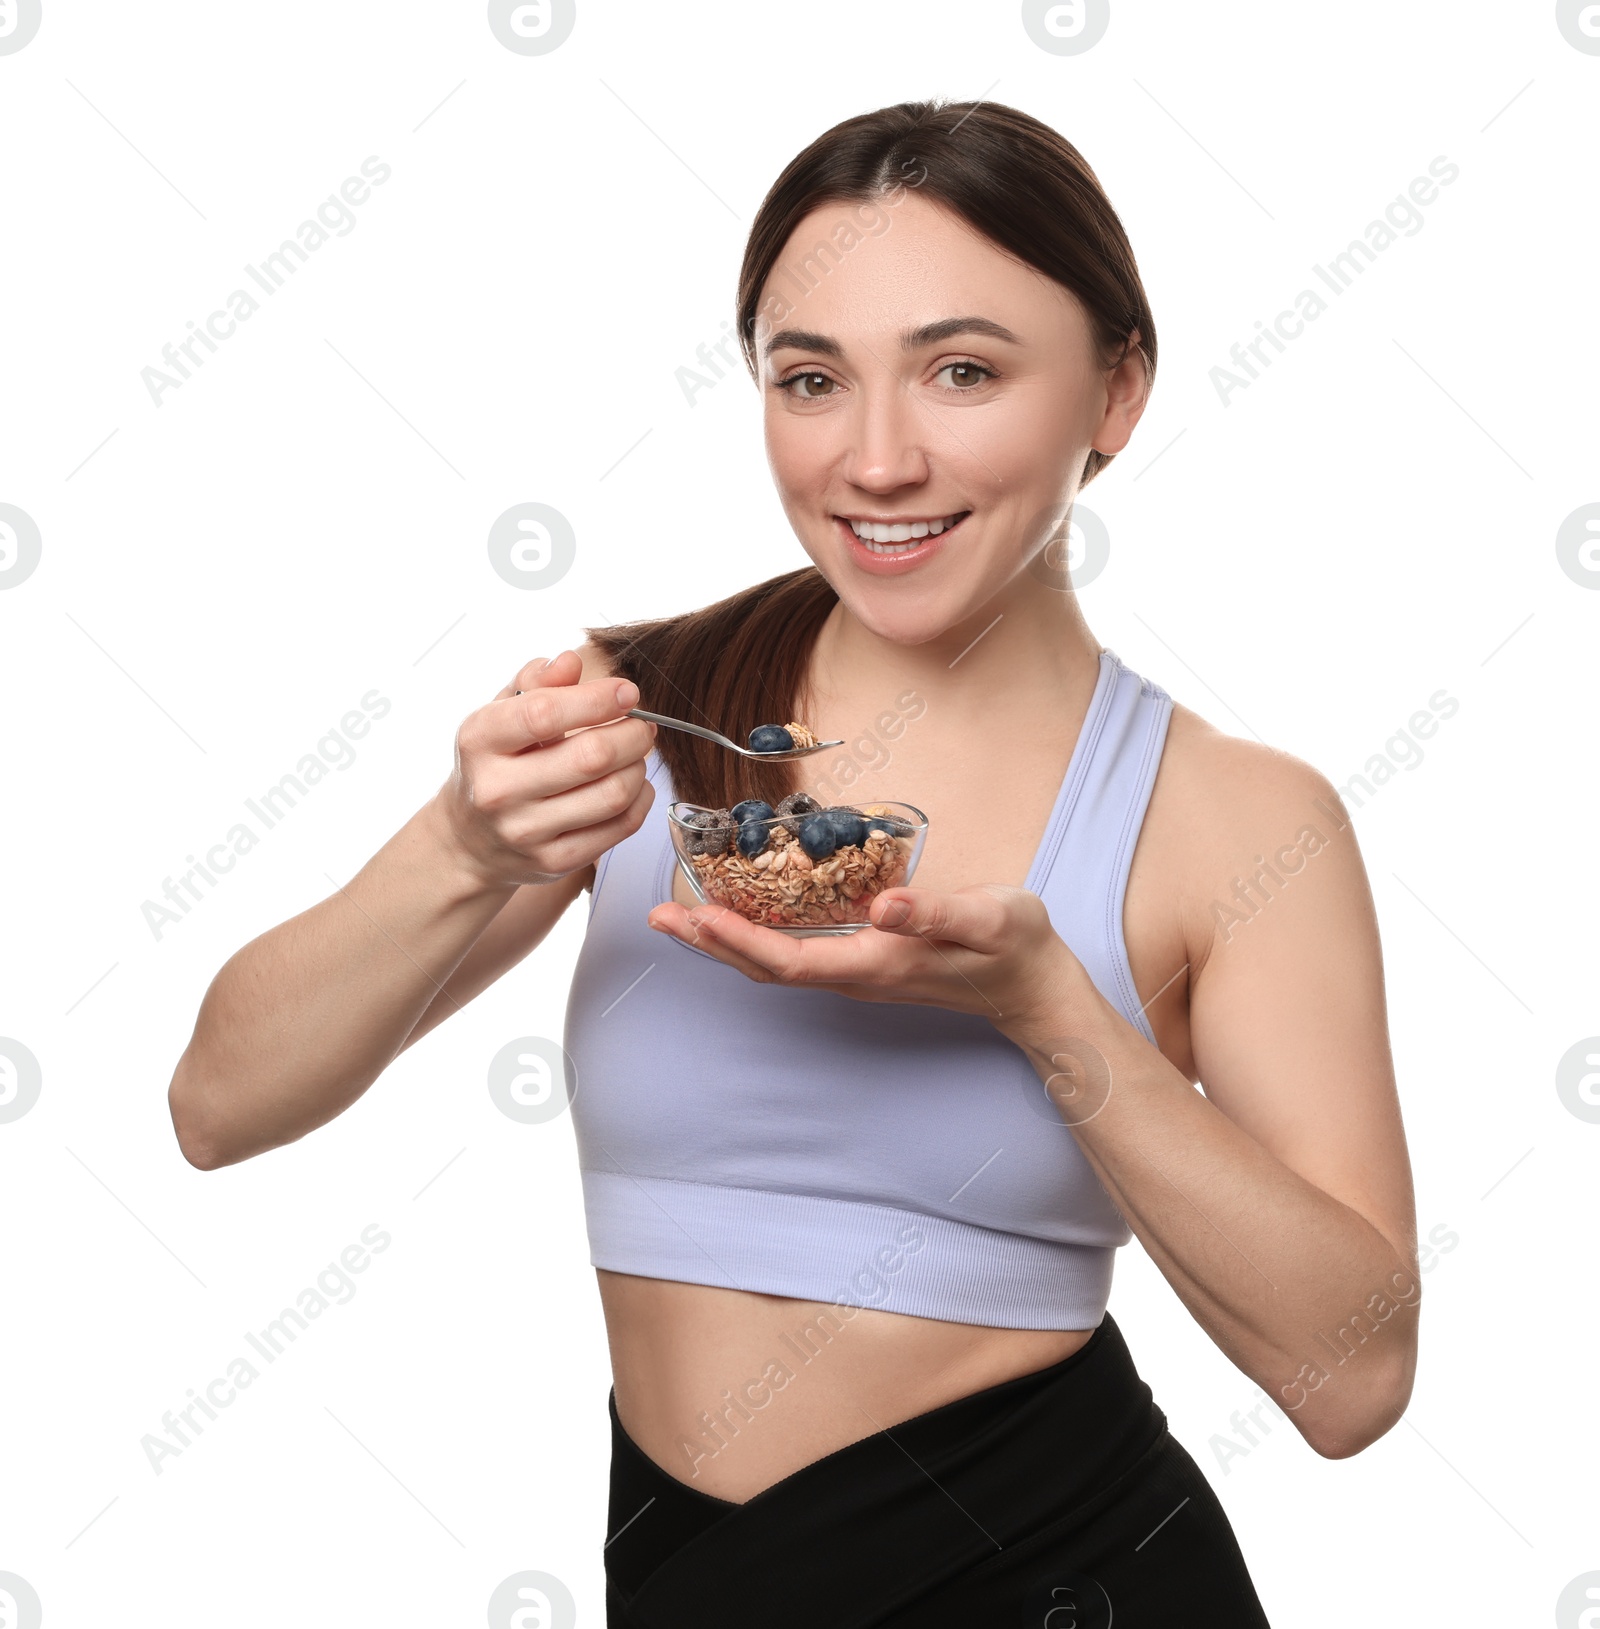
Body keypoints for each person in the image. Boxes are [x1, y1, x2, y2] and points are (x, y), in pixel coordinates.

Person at [168, 100, 1419, 1627]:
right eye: (811, 379)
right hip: (691, 1580)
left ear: (1118, 390)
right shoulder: (629, 721)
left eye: (964, 371)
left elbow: (1354, 1374)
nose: (877, 460)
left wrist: (1049, 1011)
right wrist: (457, 841)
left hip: (1066, 1573)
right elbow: (217, 1107)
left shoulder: (1232, 820)